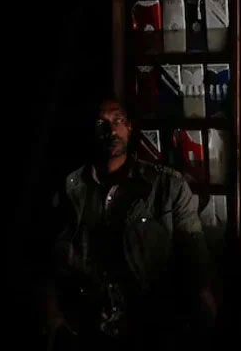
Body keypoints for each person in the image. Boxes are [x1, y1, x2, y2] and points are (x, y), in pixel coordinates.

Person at [44, 98, 217, 350]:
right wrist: (54, 317)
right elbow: (49, 260)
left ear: (129, 127)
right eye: (101, 123)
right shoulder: (72, 188)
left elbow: (195, 253)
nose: (111, 131)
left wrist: (202, 307)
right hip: (88, 325)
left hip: (149, 325)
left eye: (118, 121)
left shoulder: (167, 186)